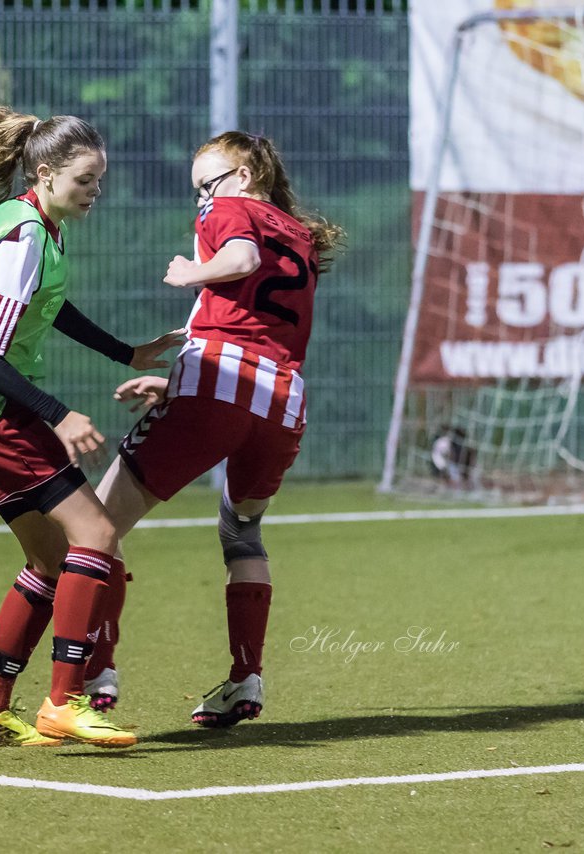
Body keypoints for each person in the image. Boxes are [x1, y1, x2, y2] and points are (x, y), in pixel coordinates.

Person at [0, 80, 183, 748]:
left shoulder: (31, 224)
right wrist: (58, 415)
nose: (94, 193)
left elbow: (48, 309)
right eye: (85, 180)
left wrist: (128, 351)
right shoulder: (25, 236)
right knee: (96, 539)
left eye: (99, 182)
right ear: (45, 173)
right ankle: (65, 701)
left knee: (51, 559)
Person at [83, 131, 345, 727]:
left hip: (222, 386)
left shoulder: (232, 213)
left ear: (246, 178)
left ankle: (94, 672)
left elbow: (242, 263)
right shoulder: (298, 236)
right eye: (199, 190)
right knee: (242, 531)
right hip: (280, 403)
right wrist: (178, 379)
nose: (204, 199)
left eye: (211, 183)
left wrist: (192, 272)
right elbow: (252, 326)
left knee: (95, 523)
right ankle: (245, 678)